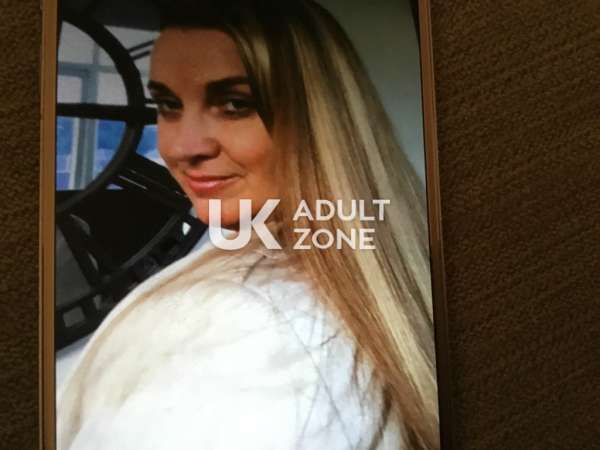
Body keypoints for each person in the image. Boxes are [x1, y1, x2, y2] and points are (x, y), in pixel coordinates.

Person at [57, 1, 439, 449]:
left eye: (235, 104)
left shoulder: (243, 330)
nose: (181, 147)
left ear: (319, 119)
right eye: (167, 104)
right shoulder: (352, 273)